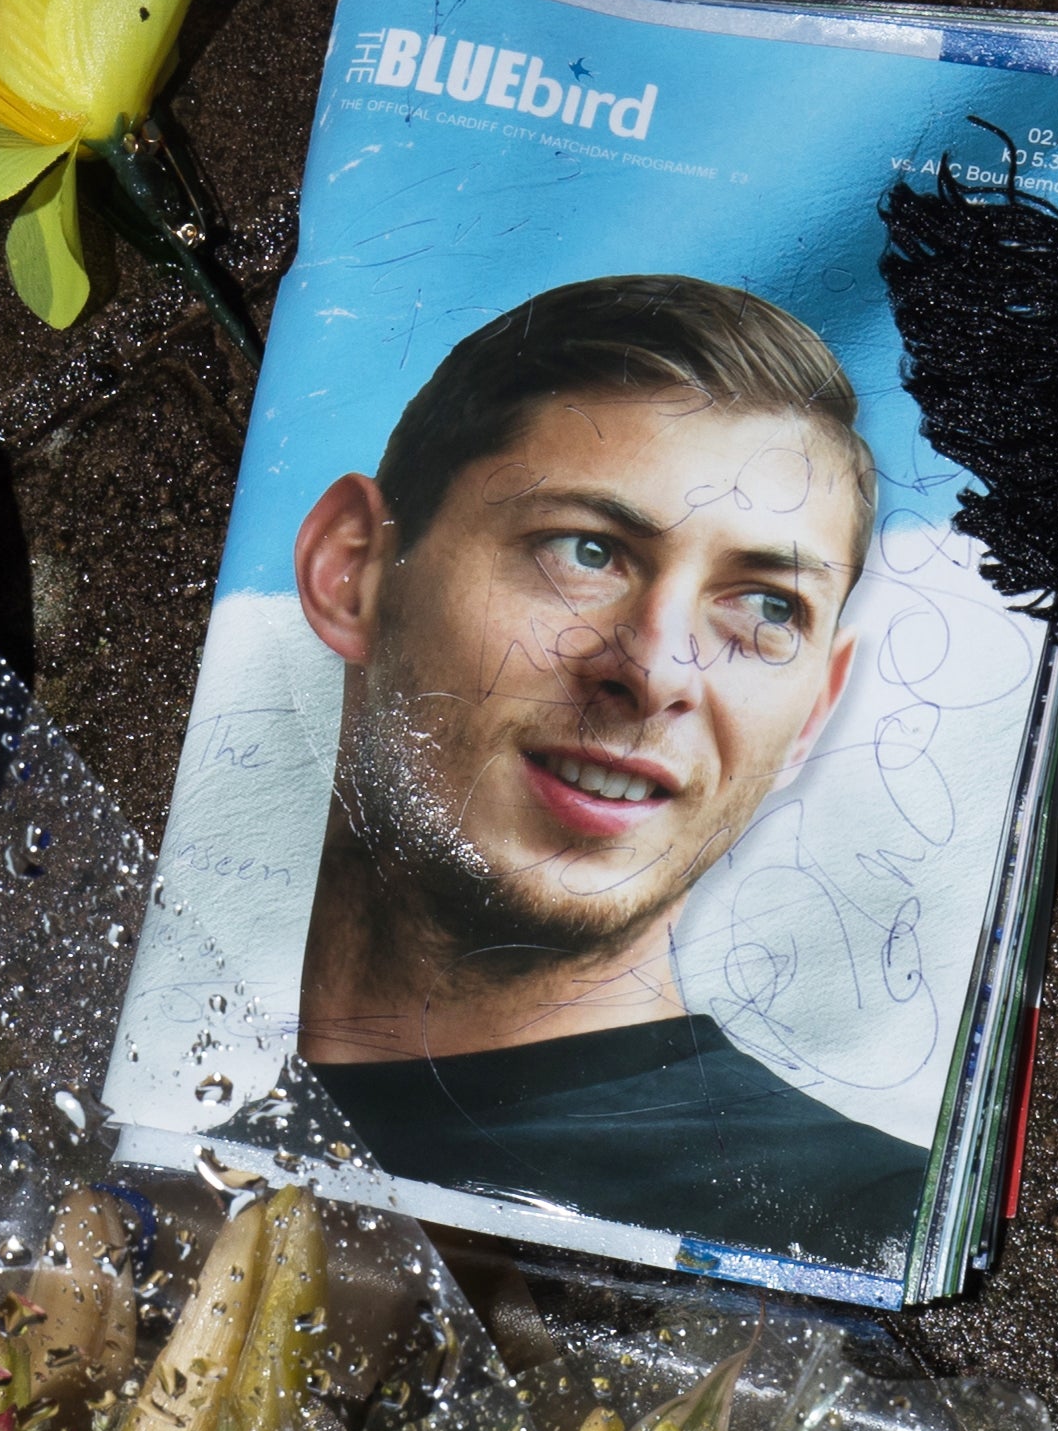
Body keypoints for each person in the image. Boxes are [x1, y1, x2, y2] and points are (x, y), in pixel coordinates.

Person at [287, 273, 930, 1268]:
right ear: (352, 569)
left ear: (816, 706)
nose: (655, 668)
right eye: (586, 549)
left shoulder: (859, 1224)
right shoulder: (154, 1103)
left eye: (766, 607)